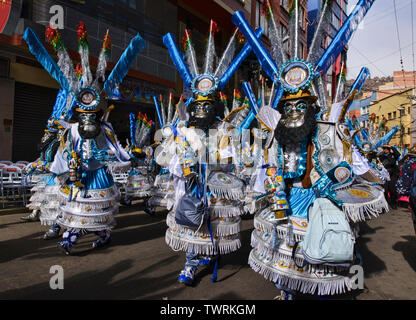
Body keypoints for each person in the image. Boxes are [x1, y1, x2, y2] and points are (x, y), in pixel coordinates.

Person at [379, 145, 401, 209]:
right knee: (384, 190)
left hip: (392, 174)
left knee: (392, 190)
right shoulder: (382, 156)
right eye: (384, 149)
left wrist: (391, 147)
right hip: (384, 175)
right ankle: (384, 204)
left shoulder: (393, 155)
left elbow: (398, 154)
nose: (385, 150)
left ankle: (393, 203)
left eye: (387, 149)